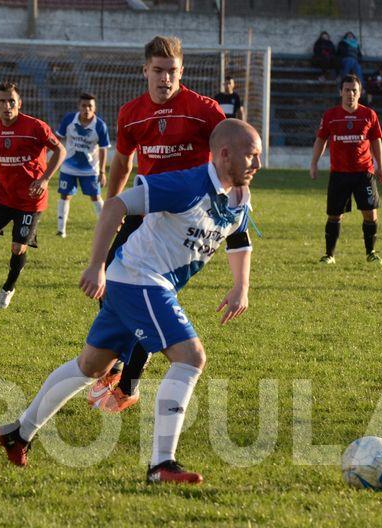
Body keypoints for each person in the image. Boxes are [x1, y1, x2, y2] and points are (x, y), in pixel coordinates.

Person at [0, 118, 260, 485]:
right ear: (225, 154)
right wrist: (95, 267)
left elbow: (239, 237)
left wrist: (240, 286)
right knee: (191, 357)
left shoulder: (240, 196)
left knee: (90, 366)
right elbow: (115, 206)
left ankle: (18, 434)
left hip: (137, 282)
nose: (257, 164)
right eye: (251, 155)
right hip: (139, 279)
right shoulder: (187, 184)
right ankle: (161, 465)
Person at [86, 35, 225, 414]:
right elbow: (122, 162)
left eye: (173, 72)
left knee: (149, 298)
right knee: (111, 286)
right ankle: (114, 363)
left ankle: (127, 381)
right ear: (145, 69)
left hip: (179, 225)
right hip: (139, 211)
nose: (165, 79)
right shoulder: (131, 113)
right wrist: (110, 207)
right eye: (159, 71)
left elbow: (229, 153)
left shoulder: (204, 110)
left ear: (182, 72)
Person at [0, 82, 66, 309]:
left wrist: (45, 179)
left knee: (18, 248)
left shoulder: (35, 127)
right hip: (2, 196)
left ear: (19, 103)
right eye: (3, 101)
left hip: (30, 200)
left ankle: (8, 288)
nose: (7, 105)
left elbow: (60, 150)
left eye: (11, 101)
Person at [310, 74, 382, 265]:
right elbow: (321, 140)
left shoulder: (369, 115)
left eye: (354, 90)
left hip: (364, 173)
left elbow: (376, 141)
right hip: (339, 173)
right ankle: (329, 255)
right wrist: (314, 163)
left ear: (360, 93)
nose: (350, 94)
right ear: (340, 92)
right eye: (347, 90)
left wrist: (381, 166)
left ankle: (371, 252)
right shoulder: (330, 116)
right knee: (335, 214)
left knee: (370, 213)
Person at [55, 93, 111, 238]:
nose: (87, 109)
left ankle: (106, 227)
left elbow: (104, 148)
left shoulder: (100, 125)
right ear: (78, 106)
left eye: (90, 106)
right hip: (68, 167)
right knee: (65, 195)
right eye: (84, 106)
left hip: (90, 170)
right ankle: (61, 230)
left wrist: (102, 172)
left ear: (95, 108)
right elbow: (57, 139)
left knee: (96, 197)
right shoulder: (69, 119)